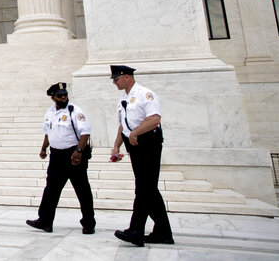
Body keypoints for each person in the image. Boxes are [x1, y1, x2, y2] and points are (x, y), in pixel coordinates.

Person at [110, 64, 174, 246]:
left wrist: (136, 133)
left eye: (116, 78)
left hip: (148, 144)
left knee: (144, 189)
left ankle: (136, 231)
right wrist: (116, 146)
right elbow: (123, 124)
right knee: (149, 190)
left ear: (127, 77)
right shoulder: (124, 98)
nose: (114, 82)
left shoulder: (145, 94)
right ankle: (163, 232)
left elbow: (154, 119)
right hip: (134, 145)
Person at [26, 82, 95, 234]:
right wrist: (44, 148)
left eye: (65, 95)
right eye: (60, 96)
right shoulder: (49, 113)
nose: (63, 98)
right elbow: (48, 132)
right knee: (51, 189)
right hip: (56, 156)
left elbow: (85, 132)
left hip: (73, 155)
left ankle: (89, 223)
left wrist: (79, 150)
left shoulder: (74, 111)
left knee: (82, 189)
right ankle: (45, 221)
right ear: (53, 98)